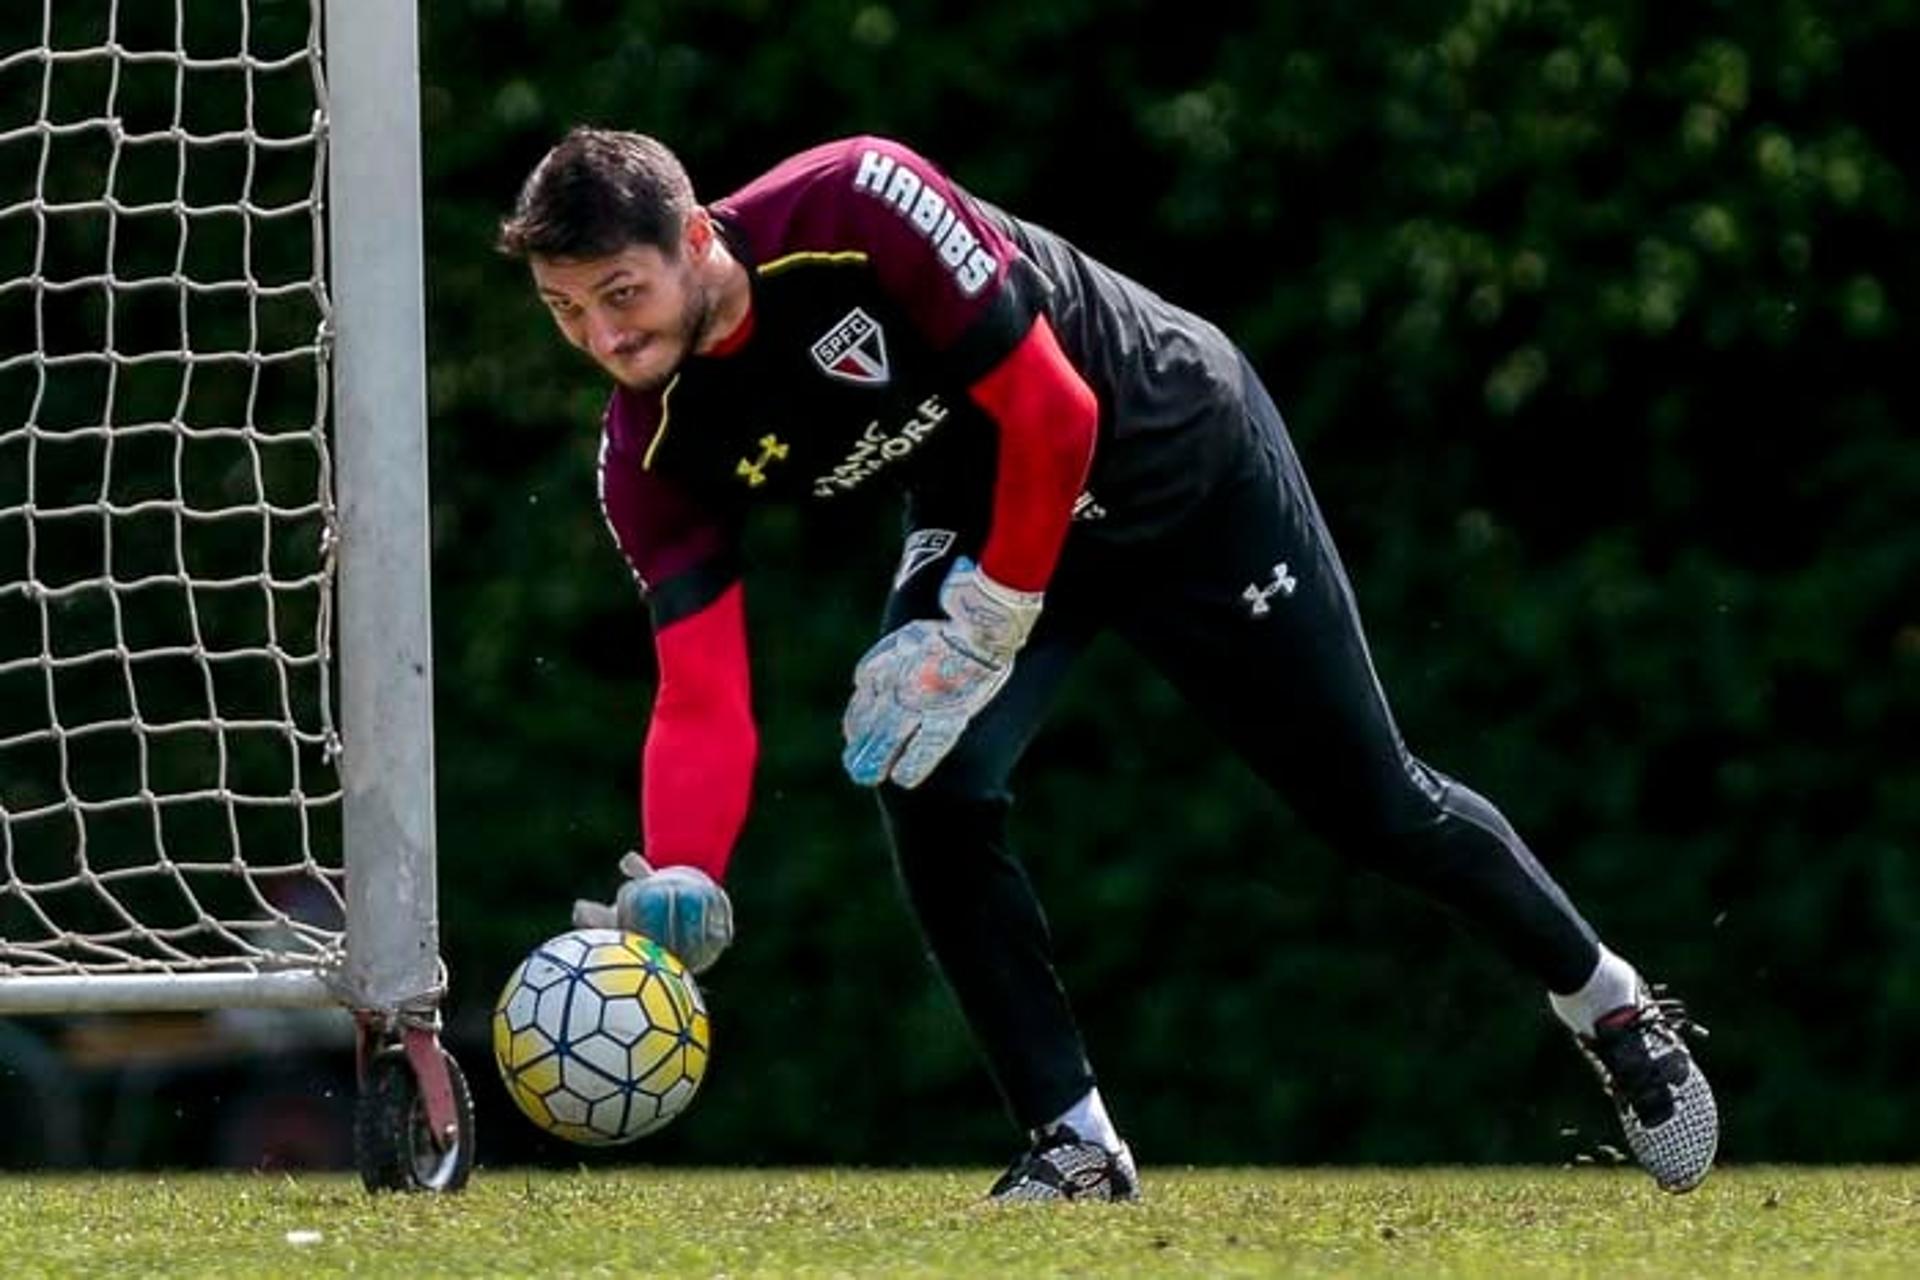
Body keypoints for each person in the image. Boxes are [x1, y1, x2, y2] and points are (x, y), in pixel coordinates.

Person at [498, 129, 1719, 1200]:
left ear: (698, 235)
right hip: (991, 517)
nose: (606, 334)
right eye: (566, 311)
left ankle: (1610, 1003)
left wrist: (990, 615)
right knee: (923, 780)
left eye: (622, 292)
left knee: (1372, 800)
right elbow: (702, 690)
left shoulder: (854, 203)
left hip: (1172, 455)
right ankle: (1074, 1141)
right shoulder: (645, 451)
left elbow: (1057, 412)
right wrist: (685, 872)